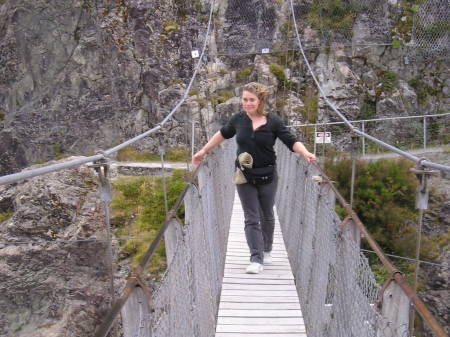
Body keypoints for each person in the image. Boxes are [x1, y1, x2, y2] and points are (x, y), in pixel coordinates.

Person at [192, 82, 316, 274]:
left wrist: (306, 153)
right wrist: (203, 150)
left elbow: (291, 141)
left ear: (260, 101)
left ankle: (267, 248)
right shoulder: (238, 119)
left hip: (267, 175)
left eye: (251, 100)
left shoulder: (273, 121)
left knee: (266, 214)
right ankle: (256, 258)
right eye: (244, 100)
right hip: (244, 175)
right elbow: (222, 134)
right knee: (251, 217)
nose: (247, 103)